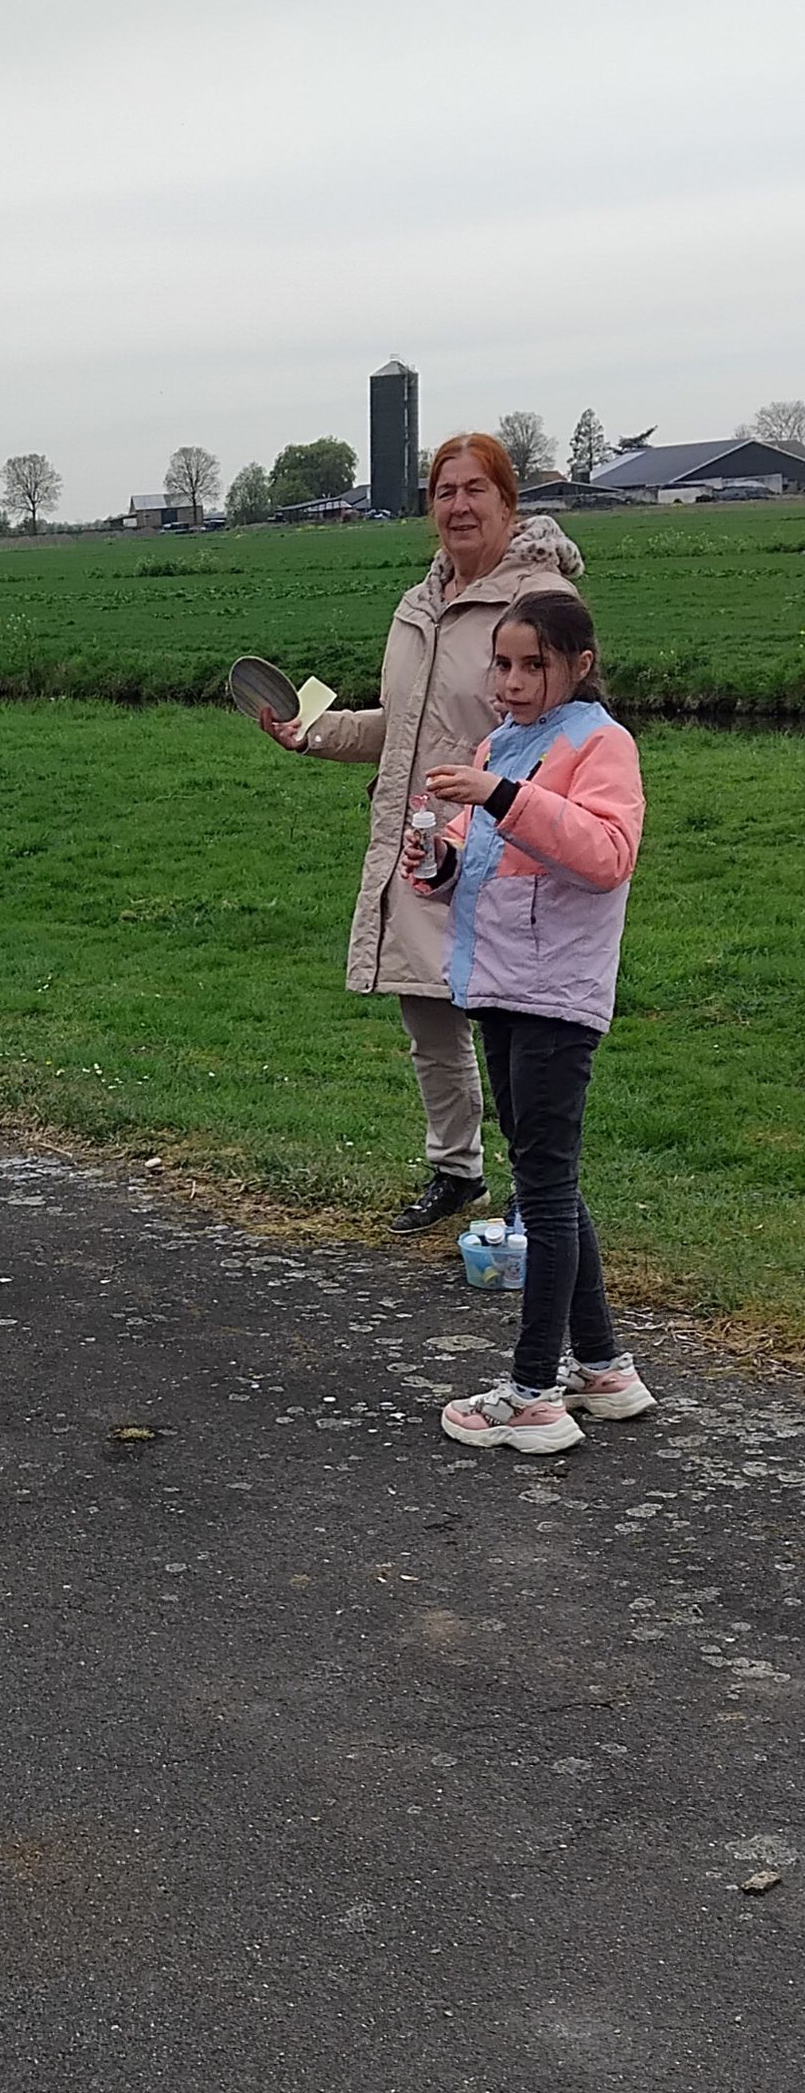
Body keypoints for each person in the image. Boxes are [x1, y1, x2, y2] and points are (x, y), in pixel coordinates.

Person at [261, 435, 589, 1233]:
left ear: (508, 503)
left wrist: (511, 813)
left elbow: (563, 735)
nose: (460, 506)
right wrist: (317, 732)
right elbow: (404, 725)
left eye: (477, 490)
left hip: (503, 847)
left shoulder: (538, 604)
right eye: (445, 492)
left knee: (514, 1028)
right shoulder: (419, 603)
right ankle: (457, 1170)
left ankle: (532, 1192)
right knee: (429, 1021)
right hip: (421, 844)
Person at [403, 585, 654, 1453]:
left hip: (555, 994)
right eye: (502, 664)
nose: (511, 681)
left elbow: (606, 856)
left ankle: (533, 1393)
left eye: (532, 665)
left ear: (579, 666)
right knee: (548, 1181)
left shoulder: (601, 744)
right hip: (499, 986)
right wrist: (436, 859)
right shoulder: (501, 744)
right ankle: (604, 1369)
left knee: (541, 1195)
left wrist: (500, 795)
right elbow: (483, 868)